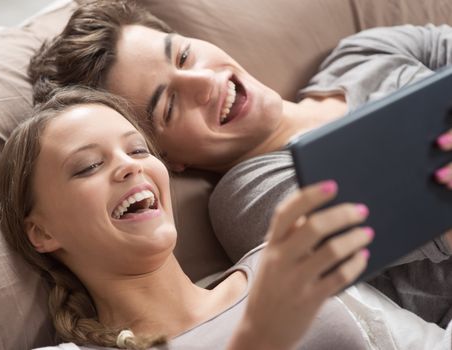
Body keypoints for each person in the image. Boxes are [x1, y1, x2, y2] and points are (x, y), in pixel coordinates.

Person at [27, 0, 452, 329]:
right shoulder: (249, 198)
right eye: (169, 106)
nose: (204, 84)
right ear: (168, 159)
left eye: (184, 57)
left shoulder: (364, 54)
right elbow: (430, 213)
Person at [0, 87, 375, 349]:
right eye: (89, 165)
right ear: (41, 231)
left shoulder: (280, 262)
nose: (129, 166)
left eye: (138, 149)